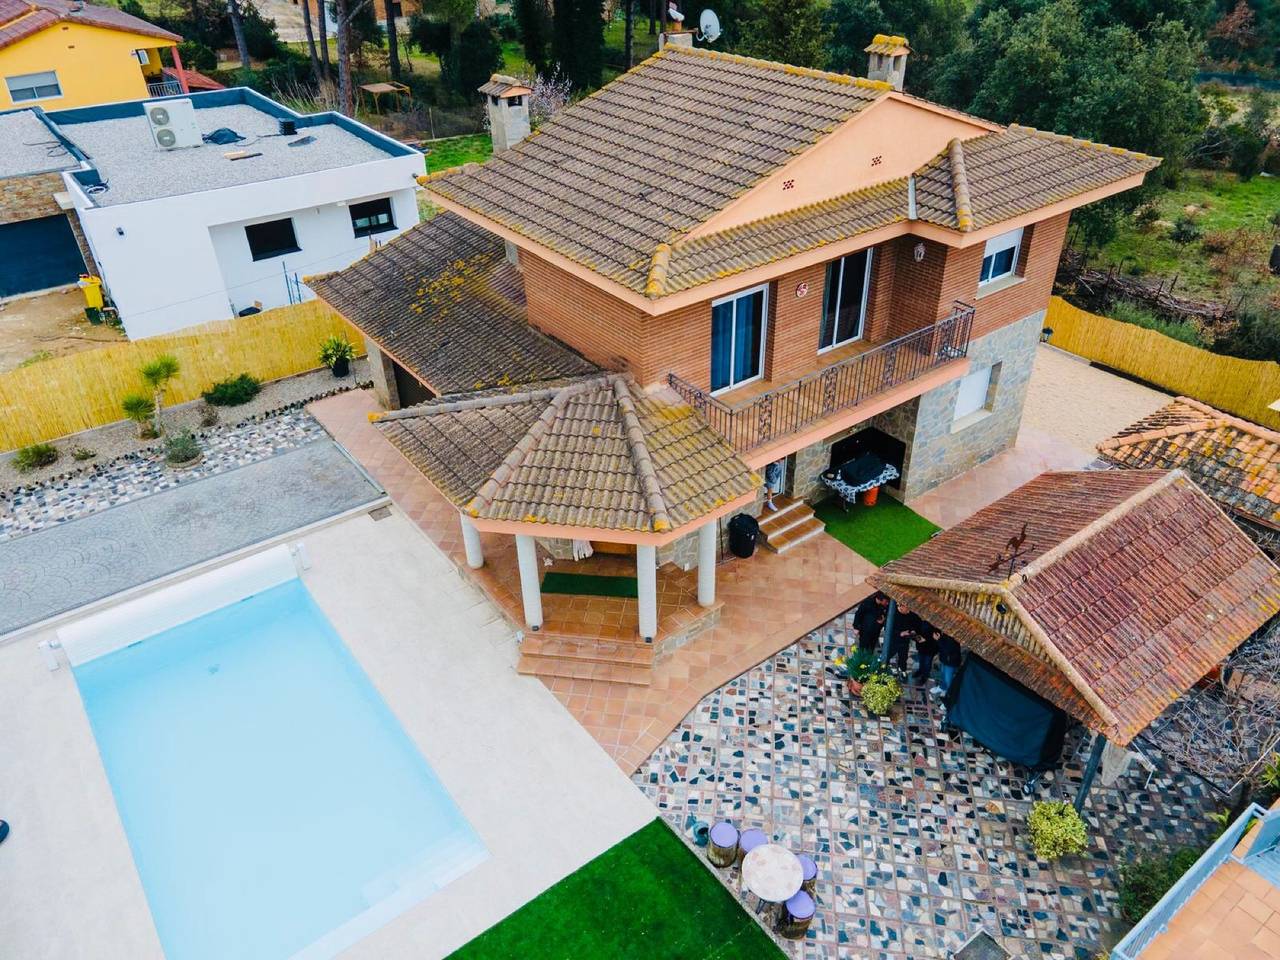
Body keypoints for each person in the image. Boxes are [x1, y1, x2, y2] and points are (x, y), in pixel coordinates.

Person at [885, 602, 921, 676]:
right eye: (907, 608)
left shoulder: (910, 614)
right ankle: (883, 669)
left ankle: (902, 671)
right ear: (901, 606)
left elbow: (916, 624)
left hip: (905, 640)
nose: (908, 610)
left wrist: (913, 630)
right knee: (887, 655)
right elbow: (887, 629)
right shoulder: (893, 614)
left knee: (903, 657)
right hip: (893, 640)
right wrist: (900, 633)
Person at [852, 591, 889, 656]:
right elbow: (858, 614)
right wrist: (856, 627)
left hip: (875, 632)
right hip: (865, 631)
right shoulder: (868, 603)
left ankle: (868, 664)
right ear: (880, 599)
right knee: (863, 650)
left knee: (871, 650)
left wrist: (882, 622)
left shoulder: (884, 607)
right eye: (885, 601)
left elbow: (885, 617)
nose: (887, 603)